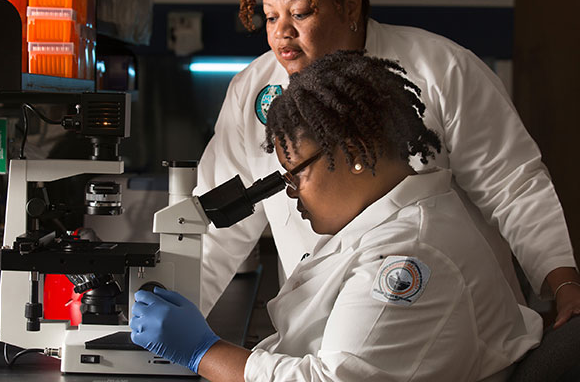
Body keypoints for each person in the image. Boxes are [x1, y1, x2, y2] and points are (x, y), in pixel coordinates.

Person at [195, 0, 580, 327]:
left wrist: (564, 286)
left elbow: (513, 186)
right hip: (328, 330)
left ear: (350, 6)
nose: (281, 33)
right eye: (270, 17)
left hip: (453, 324)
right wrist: (170, 316)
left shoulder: (439, 69)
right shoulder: (254, 89)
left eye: (301, 13)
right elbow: (221, 225)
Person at [130, 51, 543, 381]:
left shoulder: (409, 257)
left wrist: (205, 352)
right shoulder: (384, 225)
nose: (289, 190)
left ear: (352, 152)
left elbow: (334, 380)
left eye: (296, 172)